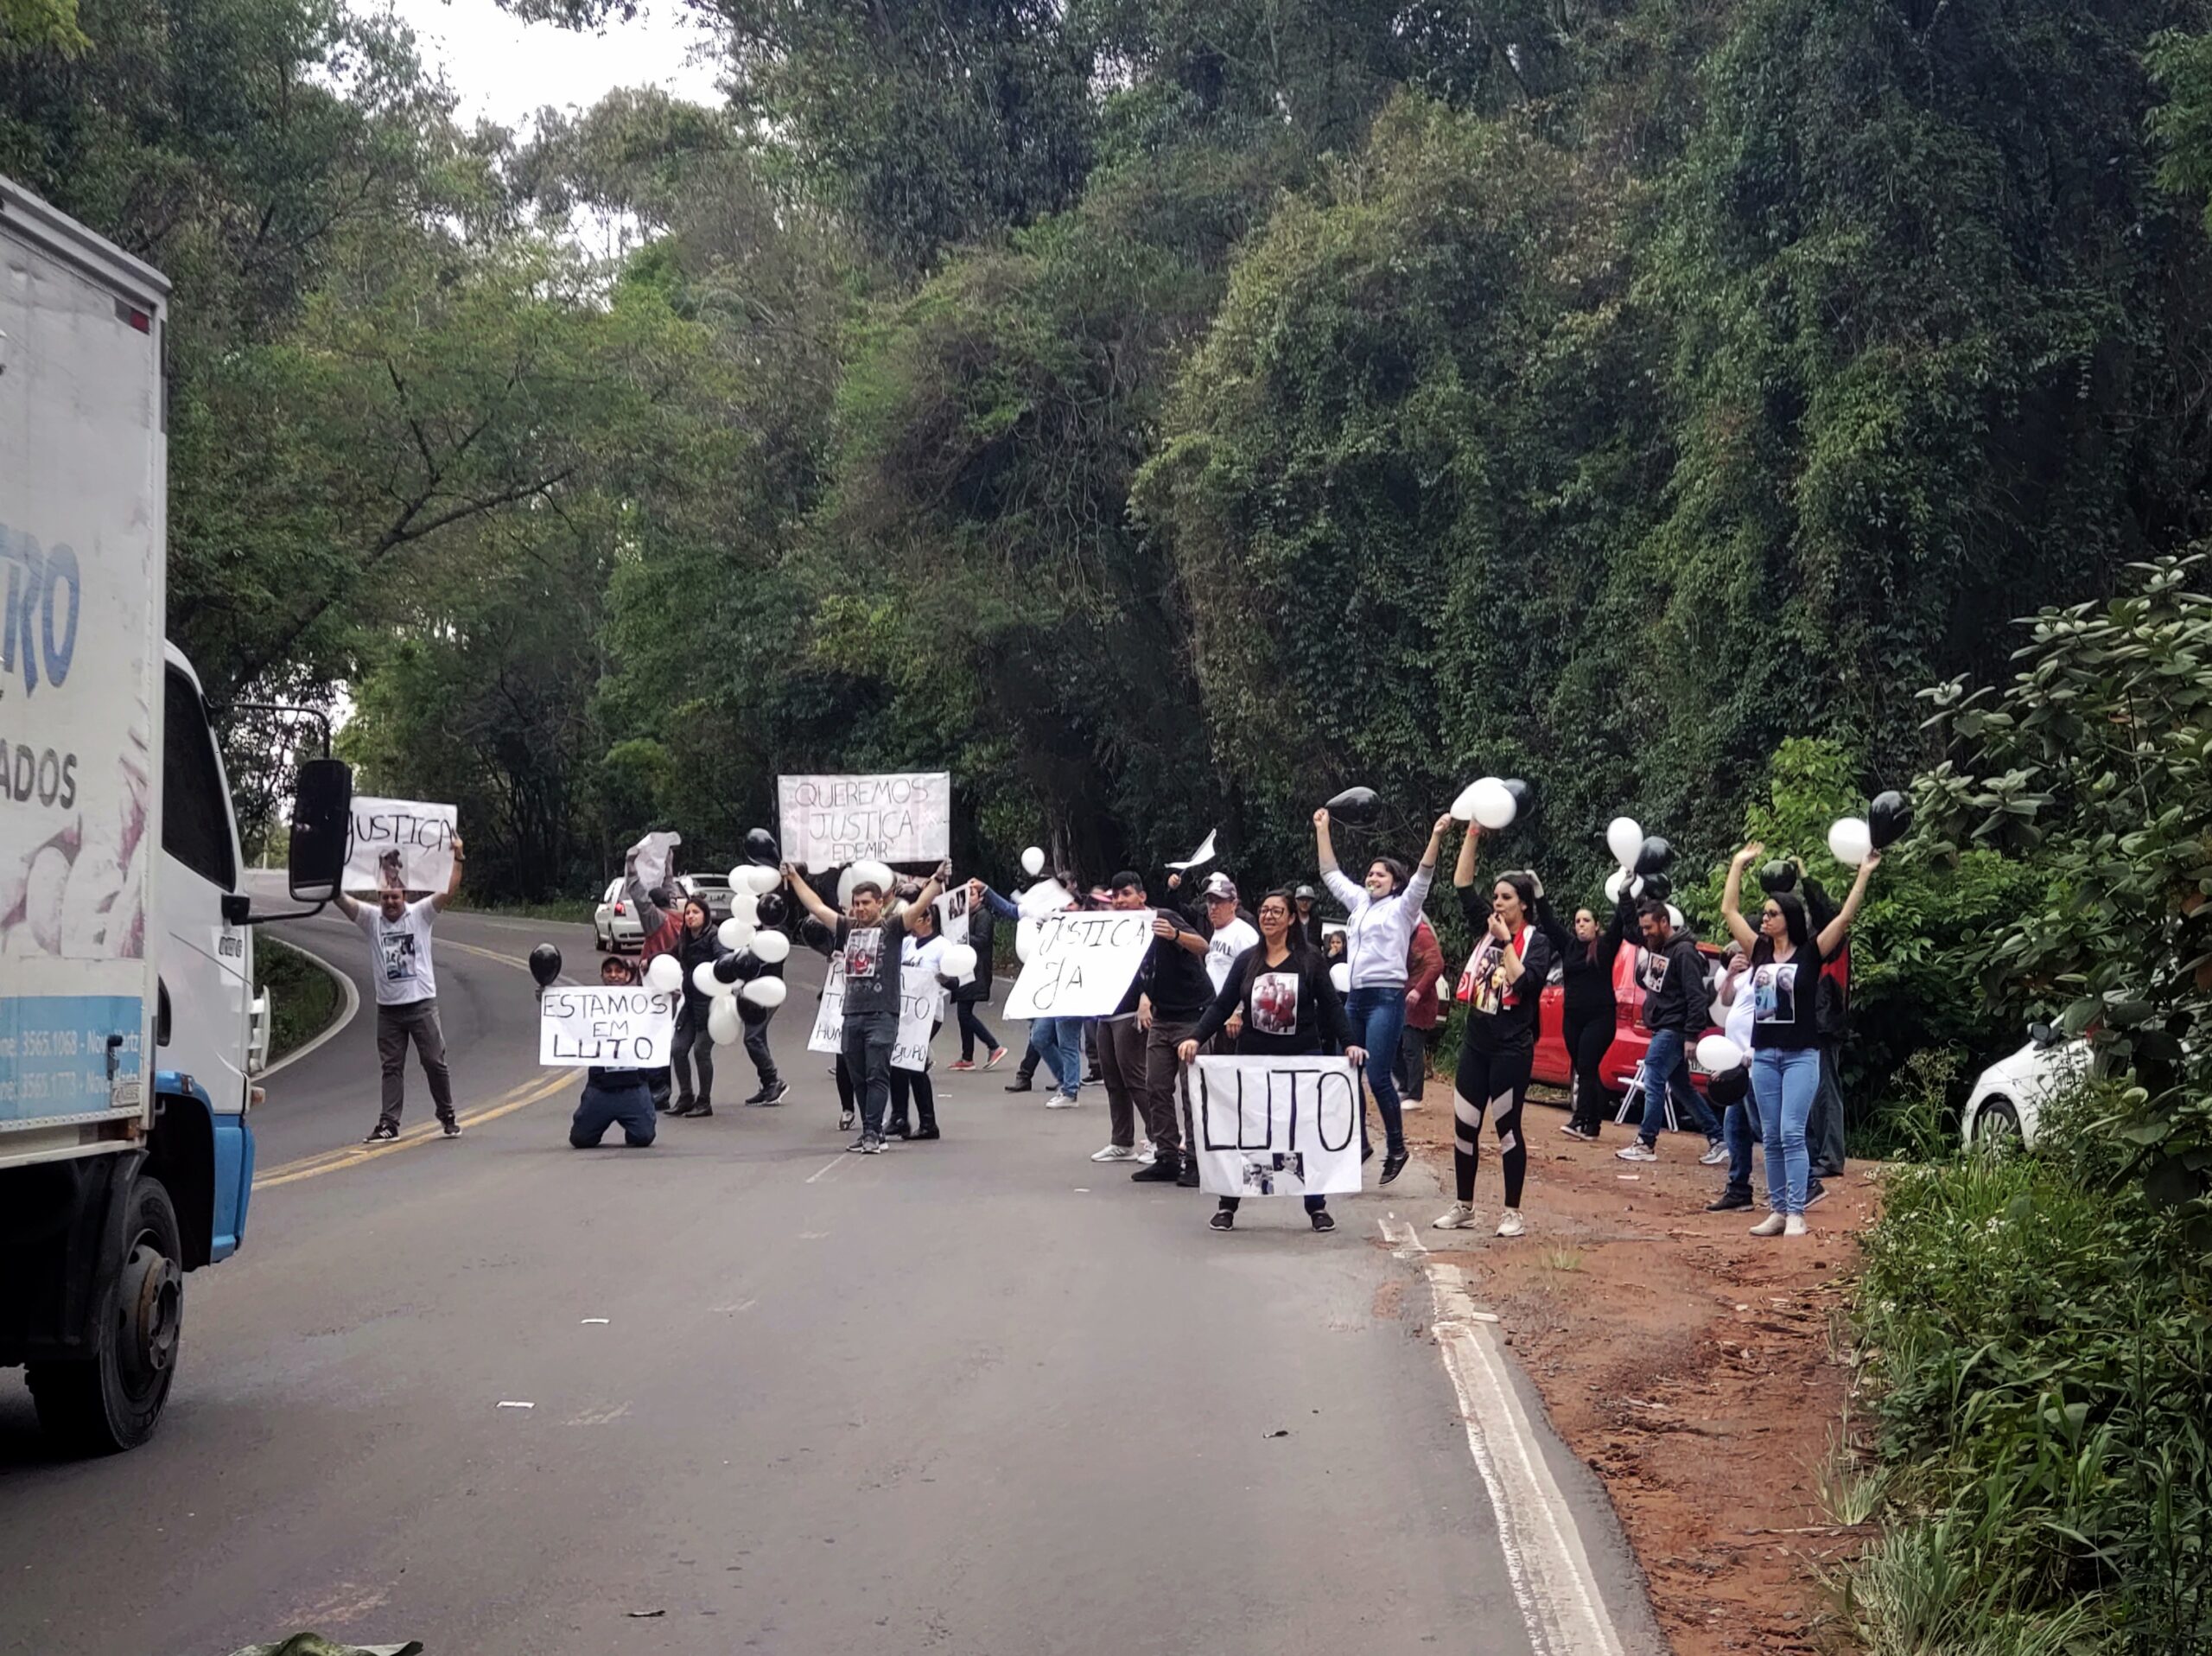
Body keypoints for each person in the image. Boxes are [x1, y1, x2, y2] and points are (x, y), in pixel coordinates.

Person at [1178, 888, 1366, 1232]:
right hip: (1253, 1061)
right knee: (1249, 1132)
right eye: (1264, 910)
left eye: (1277, 911)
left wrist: (1350, 1043)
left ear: (1292, 918)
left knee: (1302, 1131)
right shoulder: (1247, 960)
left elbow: (1332, 1007)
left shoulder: (1310, 960)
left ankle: (1316, 1206)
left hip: (1302, 1062)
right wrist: (1196, 1037)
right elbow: (1222, 1006)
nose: (1268, 916)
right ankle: (1228, 1203)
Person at [1721, 842, 1878, 1236]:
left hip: (1800, 1055)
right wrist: (1738, 864)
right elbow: (1729, 911)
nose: (1764, 919)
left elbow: (1843, 917)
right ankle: (1777, 1209)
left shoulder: (1809, 953)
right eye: (1765, 913)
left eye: (1772, 914)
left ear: (1788, 918)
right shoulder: (1757, 951)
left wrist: (1863, 874)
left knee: (1792, 1131)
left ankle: (1796, 1212)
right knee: (1771, 1135)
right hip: (1765, 1055)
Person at [1314, 807, 1452, 1185]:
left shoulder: (1405, 908)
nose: (1372, 877)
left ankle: (1396, 1146)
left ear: (1394, 882)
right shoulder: (1359, 904)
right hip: (1355, 998)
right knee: (1347, 1071)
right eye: (1370, 872)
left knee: (1376, 1075)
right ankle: (1358, 1144)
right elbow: (1330, 873)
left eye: (1381, 873)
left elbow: (1424, 875)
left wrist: (1437, 835)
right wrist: (1322, 829)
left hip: (1386, 998)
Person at [1433, 825, 1554, 1236]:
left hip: (1512, 1048)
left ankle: (1512, 1212)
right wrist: (1471, 835)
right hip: (1477, 1043)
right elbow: (1462, 885)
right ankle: (1463, 1205)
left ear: (1522, 904)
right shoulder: (1486, 927)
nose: (1498, 904)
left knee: (1507, 1130)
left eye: (1506, 898)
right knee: (1464, 1126)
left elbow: (1524, 984)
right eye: (1496, 897)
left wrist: (1506, 943)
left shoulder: (1536, 941)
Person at [785, 858, 949, 1152]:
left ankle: (873, 1134)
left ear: (879, 904)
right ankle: (871, 1131)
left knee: (877, 1075)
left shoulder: (894, 927)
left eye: (865, 903)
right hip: (851, 1014)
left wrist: (937, 880)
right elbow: (817, 908)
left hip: (882, 1015)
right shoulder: (847, 927)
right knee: (858, 1077)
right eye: (856, 903)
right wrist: (795, 877)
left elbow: (918, 906)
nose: (860, 908)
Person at [340, 838, 467, 1143]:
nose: (389, 902)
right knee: (391, 1067)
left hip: (421, 1004)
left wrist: (459, 856)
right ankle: (389, 1123)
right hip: (389, 1009)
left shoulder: (421, 914)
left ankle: (447, 1115)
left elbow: (449, 889)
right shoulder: (372, 920)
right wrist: (330, 873)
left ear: (405, 895)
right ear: (378, 897)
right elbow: (342, 901)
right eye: (384, 897)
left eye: (394, 897)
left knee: (435, 1061)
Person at [1612, 895, 1723, 1165]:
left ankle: (1646, 1141)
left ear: (1665, 922)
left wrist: (1691, 1036)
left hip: (1673, 1028)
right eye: (1644, 928)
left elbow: (1696, 996)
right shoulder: (1659, 948)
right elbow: (1630, 932)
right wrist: (1626, 898)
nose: (1645, 933)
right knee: (1682, 1088)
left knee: (1653, 1076)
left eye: (1650, 927)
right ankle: (1718, 1139)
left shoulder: (1684, 953)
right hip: (1664, 1025)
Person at [977, 879, 1087, 1107]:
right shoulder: (1047, 917)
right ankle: (1064, 1082)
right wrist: (986, 890)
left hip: (1072, 990)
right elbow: (1010, 910)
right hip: (1048, 990)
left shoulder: (1086, 927)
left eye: (1072, 905)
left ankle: (1070, 1091)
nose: (1067, 908)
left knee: (1067, 1042)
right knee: (1039, 1037)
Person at [1536, 889, 1630, 1140]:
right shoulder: (1568, 946)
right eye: (1578, 921)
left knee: (1587, 1065)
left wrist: (1625, 895)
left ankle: (1580, 1119)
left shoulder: (1605, 946)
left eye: (1586, 921)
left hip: (1600, 1018)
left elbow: (1620, 923)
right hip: (1573, 1017)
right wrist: (1539, 894)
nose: (1581, 926)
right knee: (1584, 1069)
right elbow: (1548, 921)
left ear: (1596, 925)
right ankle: (1593, 1125)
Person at [568, 954, 658, 1149]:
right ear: (602, 976)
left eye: (619, 971)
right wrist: (547, 999)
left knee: (643, 1137)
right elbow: (566, 1018)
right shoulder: (590, 1005)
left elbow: (661, 1022)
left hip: (633, 1088)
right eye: (608, 971)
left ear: (627, 976)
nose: (614, 975)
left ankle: (635, 1121)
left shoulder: (642, 1004)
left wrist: (671, 1001)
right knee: (580, 1140)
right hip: (601, 1089)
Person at [1704, 943, 1761, 1213]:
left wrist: (1751, 1052)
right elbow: (1725, 1001)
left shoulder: (1766, 973)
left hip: (1753, 1063)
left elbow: (1768, 1017)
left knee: (1764, 1129)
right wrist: (1729, 974)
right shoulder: (1746, 975)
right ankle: (1738, 1189)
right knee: (1735, 1129)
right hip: (1737, 1064)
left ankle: (1803, 1183)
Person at [626, 857, 685, 1111]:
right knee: (668, 1037)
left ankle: (659, 1090)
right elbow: (670, 887)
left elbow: (637, 894)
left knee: (654, 1037)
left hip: (656, 989)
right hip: (678, 986)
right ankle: (662, 1089)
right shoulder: (682, 919)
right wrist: (669, 863)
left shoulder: (656, 920)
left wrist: (630, 865)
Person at [885, 901, 945, 1140]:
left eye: (916, 919)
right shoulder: (908, 944)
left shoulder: (942, 947)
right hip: (905, 1012)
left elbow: (957, 979)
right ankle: (899, 1117)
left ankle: (928, 1123)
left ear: (927, 919)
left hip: (927, 1014)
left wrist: (946, 980)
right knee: (898, 1062)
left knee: (913, 1063)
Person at [667, 892, 729, 1118]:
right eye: (687, 913)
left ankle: (704, 1101)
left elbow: (724, 960)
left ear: (705, 915)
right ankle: (686, 1096)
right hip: (691, 1004)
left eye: (695, 912)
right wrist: (651, 961)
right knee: (677, 1049)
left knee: (701, 1050)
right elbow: (670, 957)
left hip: (712, 1005)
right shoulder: (684, 937)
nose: (690, 916)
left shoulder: (714, 936)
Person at [946, 883, 1007, 1071]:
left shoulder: (983, 916)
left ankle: (993, 1046)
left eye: (971, 894)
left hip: (976, 972)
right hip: (965, 970)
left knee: (964, 1014)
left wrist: (961, 936)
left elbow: (982, 941)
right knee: (963, 1014)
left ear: (981, 898)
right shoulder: (966, 917)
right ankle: (967, 1057)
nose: (967, 898)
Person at [1399, 915, 1446, 1106]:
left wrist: (1418, 990)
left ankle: (1414, 1094)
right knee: (1397, 1046)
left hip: (1419, 1002)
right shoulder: (1403, 932)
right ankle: (1403, 1086)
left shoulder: (1423, 935)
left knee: (1412, 1048)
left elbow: (1437, 964)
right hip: (1402, 999)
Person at [1293, 885, 1325, 950]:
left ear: (1312, 901)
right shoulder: (1290, 920)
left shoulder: (1317, 921)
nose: (1305, 903)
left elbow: (1318, 943)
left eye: (1308, 900)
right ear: (1296, 901)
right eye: (1301, 900)